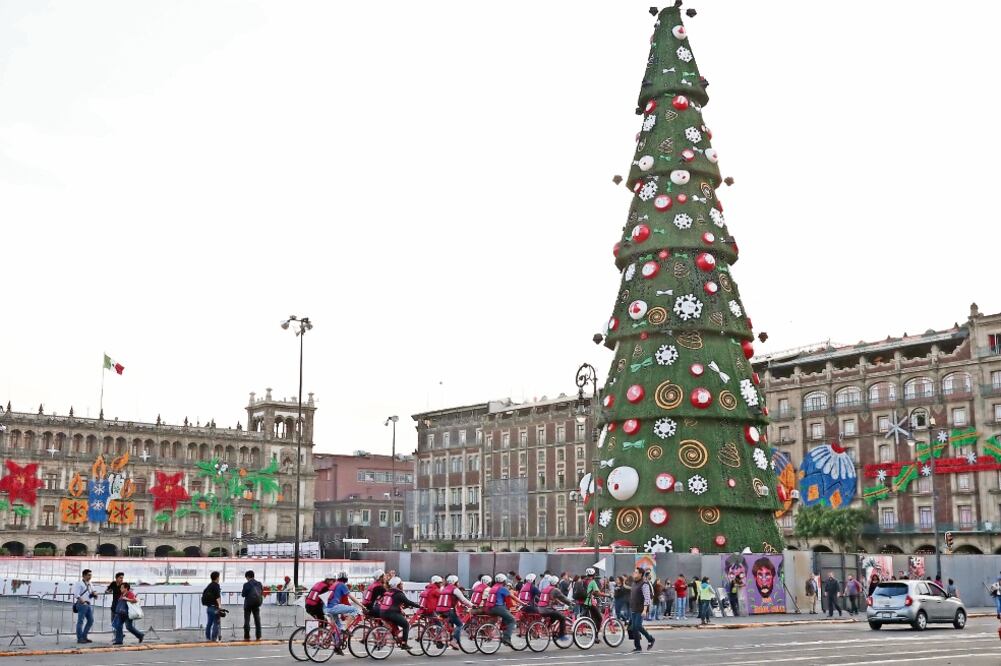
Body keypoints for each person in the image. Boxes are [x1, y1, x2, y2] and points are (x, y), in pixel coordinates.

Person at [378, 576, 420, 649]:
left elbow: (395, 602)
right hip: (391, 613)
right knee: (406, 625)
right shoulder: (399, 594)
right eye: (401, 584)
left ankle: (395, 637)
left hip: (382, 613)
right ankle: (404, 644)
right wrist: (419, 606)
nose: (402, 585)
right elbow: (408, 602)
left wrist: (404, 606)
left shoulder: (388, 592)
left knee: (395, 626)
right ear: (397, 585)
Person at [435, 574, 474, 650]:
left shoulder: (443, 588)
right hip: (448, 610)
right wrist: (472, 605)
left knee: (446, 624)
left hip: (439, 609)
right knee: (459, 624)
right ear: (455, 582)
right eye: (457, 581)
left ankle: (441, 637)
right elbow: (463, 600)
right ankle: (454, 641)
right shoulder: (455, 589)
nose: (458, 583)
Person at [487, 573, 521, 648]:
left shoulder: (492, 588)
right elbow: (512, 597)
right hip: (498, 608)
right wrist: (521, 603)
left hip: (490, 608)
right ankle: (506, 638)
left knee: (502, 618)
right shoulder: (502, 588)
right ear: (503, 581)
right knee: (512, 620)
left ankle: (487, 631)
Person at [627, 568, 655, 652]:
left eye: (636, 572)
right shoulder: (634, 583)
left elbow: (647, 598)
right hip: (634, 608)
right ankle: (638, 647)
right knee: (634, 628)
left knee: (637, 626)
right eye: (634, 572)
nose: (634, 573)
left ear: (640, 574)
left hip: (641, 609)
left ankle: (650, 639)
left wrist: (645, 610)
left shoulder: (644, 584)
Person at [537, 575, 570, 640]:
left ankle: (547, 628)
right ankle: (561, 635)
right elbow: (563, 598)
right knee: (562, 617)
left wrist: (559, 602)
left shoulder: (546, 589)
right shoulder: (555, 590)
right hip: (547, 609)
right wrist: (570, 603)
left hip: (540, 608)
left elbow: (552, 598)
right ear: (556, 583)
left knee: (554, 615)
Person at [72, 569, 97, 644]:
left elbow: (93, 591)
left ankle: (84, 636)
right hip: (82, 605)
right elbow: (76, 594)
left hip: (88, 604)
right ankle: (80, 638)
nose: (90, 576)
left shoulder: (90, 583)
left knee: (91, 620)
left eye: (91, 575)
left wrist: (95, 594)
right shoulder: (79, 583)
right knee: (80, 621)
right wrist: (83, 601)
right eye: (89, 575)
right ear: (84, 575)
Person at [241, 570, 263, 641]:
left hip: (248, 604)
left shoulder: (246, 584)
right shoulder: (259, 583)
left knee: (247, 620)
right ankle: (258, 635)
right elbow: (261, 592)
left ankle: (247, 636)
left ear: (247, 576)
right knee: (257, 620)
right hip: (256, 604)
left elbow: (243, 594)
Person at [202, 570, 223, 642]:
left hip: (209, 608)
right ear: (217, 578)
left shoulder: (209, 586)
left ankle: (208, 638)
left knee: (209, 623)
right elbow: (217, 596)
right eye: (219, 577)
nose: (219, 578)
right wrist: (220, 605)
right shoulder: (216, 585)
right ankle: (214, 639)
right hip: (215, 608)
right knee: (216, 623)